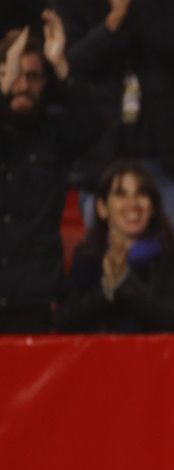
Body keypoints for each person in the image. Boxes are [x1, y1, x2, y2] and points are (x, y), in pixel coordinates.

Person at [57, 0, 174, 249]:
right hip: (100, 164)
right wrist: (114, 21)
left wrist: (132, 9)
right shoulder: (73, 4)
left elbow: (173, 39)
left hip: (164, 159)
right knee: (104, 275)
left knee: (168, 271)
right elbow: (73, 64)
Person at [0, 15, 101, 334]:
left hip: (34, 297)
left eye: (33, 76)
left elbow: (93, 123)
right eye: (14, 74)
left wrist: (61, 65)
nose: (22, 85)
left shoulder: (54, 136)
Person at [55, 159, 174, 333]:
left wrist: (125, 281)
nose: (133, 204)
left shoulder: (173, 259)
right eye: (121, 194)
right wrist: (106, 290)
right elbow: (64, 322)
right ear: (102, 208)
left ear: (153, 206)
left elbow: (172, 324)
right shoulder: (86, 257)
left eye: (141, 194)